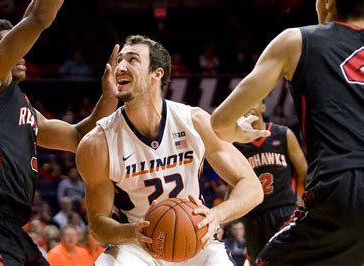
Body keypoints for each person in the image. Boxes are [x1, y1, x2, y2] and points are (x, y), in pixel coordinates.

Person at [0, 0, 119, 264]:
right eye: (12, 47)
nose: (22, 53)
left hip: (12, 229)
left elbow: (79, 137)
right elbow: (36, 18)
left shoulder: (24, 108)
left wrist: (108, 97)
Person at [75, 35, 264, 265]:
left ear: (157, 73)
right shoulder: (97, 144)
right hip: (137, 246)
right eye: (119, 61)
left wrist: (216, 216)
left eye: (132, 60)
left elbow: (253, 187)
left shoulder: (193, 121)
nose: (120, 67)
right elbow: (97, 224)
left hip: (195, 238)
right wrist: (133, 232)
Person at [210, 0, 364, 264]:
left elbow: (220, 123)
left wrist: (241, 133)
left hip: (340, 187)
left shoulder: (296, 41)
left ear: (327, 2)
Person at [233, 101, 307, 263]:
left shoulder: (283, 134)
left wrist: (309, 204)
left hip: (285, 212)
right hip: (254, 217)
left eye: (254, 99)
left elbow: (305, 174)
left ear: (263, 106)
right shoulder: (237, 146)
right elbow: (234, 184)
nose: (248, 104)